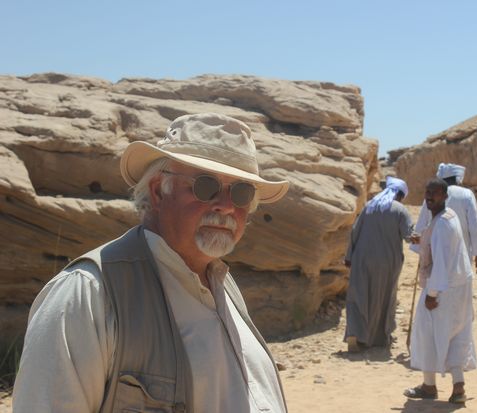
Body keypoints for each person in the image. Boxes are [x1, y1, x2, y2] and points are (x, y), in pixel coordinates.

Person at [13, 113, 290, 413]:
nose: (225, 205)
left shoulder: (223, 285)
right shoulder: (89, 294)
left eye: (241, 192)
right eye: (206, 186)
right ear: (158, 190)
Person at [405, 178, 477, 404]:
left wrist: (432, 295)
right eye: (427, 192)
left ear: (445, 196)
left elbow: (442, 263)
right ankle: (458, 388)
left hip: (444, 289)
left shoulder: (444, 224)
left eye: (434, 193)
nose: (429, 197)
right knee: (456, 334)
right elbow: (437, 244)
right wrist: (422, 239)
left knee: (428, 334)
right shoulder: (447, 217)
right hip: (459, 286)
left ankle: (429, 386)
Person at [343, 176, 414, 352]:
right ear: (400, 195)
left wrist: (349, 256)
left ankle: (356, 335)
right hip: (387, 262)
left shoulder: (369, 206)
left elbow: (355, 231)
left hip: (362, 258)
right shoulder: (400, 210)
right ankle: (380, 338)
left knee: (359, 296)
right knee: (384, 298)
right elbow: (409, 235)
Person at [411, 162, 477, 273]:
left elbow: (422, 224)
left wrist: (421, 253)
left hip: (435, 250)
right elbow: (474, 224)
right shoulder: (466, 194)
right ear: (457, 179)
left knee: (436, 281)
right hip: (461, 251)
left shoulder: (431, 195)